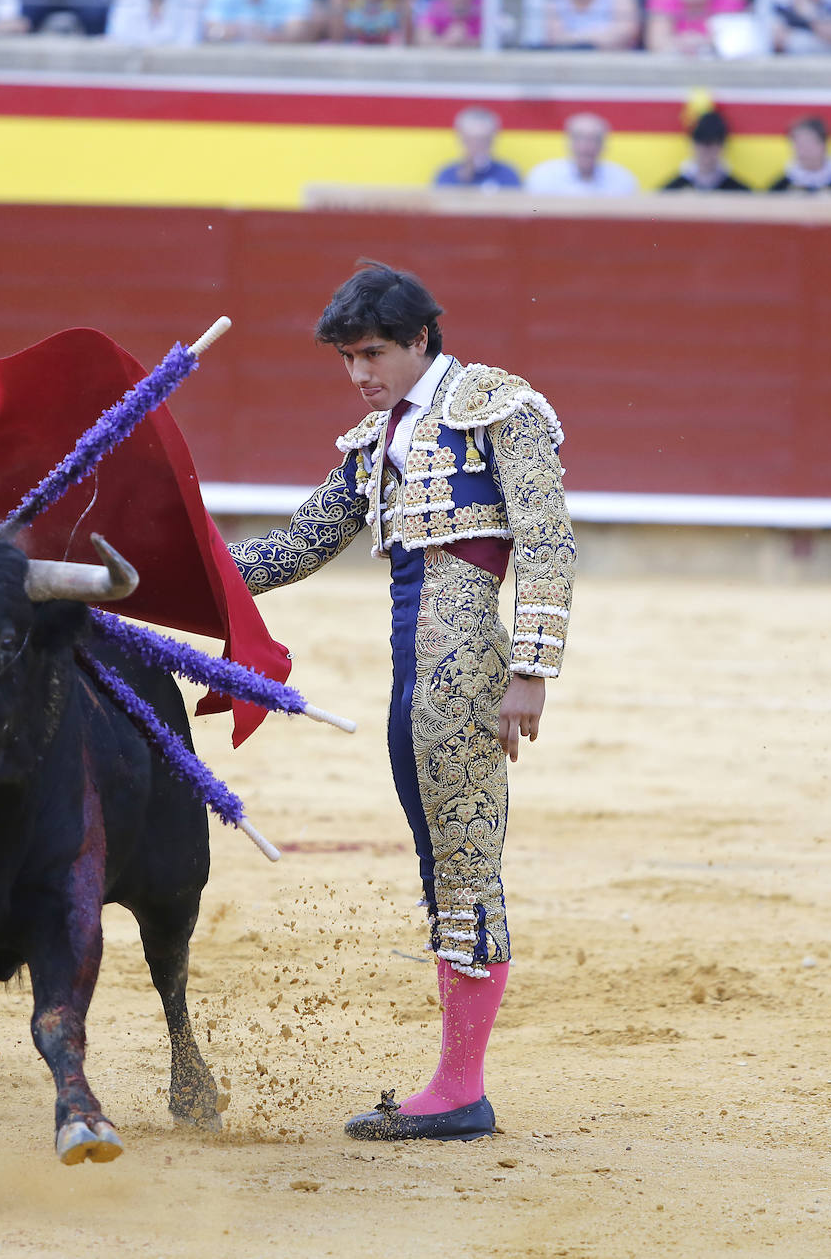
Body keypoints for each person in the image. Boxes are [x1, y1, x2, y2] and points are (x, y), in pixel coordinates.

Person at [226, 262, 575, 1142]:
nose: (359, 374)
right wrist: (181, 577)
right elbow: (304, 541)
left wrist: (530, 668)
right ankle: (455, 1080)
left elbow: (546, 537)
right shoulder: (379, 436)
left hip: (463, 672)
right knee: (438, 858)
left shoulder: (500, 405)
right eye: (347, 359)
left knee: (464, 864)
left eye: (372, 353)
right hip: (412, 672)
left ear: (421, 337)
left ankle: (461, 1089)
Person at [526, 111, 640, 194]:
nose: (586, 147)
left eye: (595, 139)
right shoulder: (543, 176)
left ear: (604, 145)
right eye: (579, 138)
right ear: (568, 143)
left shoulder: (622, 179)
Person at [433, 107, 523, 189]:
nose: (477, 146)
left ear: (493, 140)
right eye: (471, 140)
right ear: (460, 139)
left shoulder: (507, 175)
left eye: (483, 140)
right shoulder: (447, 176)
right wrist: (464, 177)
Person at [660, 109, 751, 190]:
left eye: (713, 143)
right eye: (702, 142)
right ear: (693, 144)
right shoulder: (672, 190)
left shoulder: (739, 191)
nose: (706, 150)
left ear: (722, 147)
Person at [769, 114, 831, 192]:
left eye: (808, 142)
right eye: (798, 143)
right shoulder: (782, 185)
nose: (803, 150)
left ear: (824, 144)